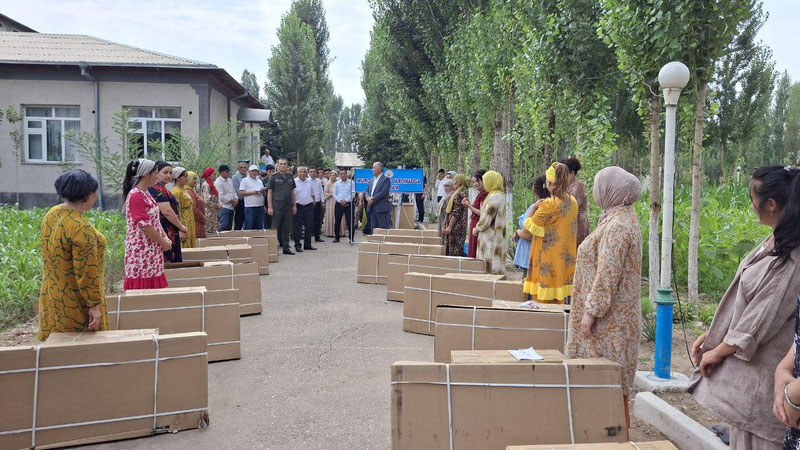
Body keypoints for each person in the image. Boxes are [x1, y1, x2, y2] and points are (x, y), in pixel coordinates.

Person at [690, 166, 800, 449]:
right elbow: (746, 302)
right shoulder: (775, 240)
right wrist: (715, 334)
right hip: (748, 386)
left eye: (753, 198)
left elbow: (761, 319)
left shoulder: (793, 257)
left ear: (771, 205)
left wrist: (718, 350)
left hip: (764, 391)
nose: (751, 205)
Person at [566, 166, 643, 431]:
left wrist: (591, 313)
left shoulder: (619, 226)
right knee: (606, 380)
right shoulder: (616, 217)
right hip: (610, 317)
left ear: (613, 191)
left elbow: (607, 273)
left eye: (601, 185)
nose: (596, 190)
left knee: (606, 379)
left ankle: (608, 435)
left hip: (609, 321)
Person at [38, 170, 107, 341]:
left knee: (57, 345)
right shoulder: (80, 227)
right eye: (95, 192)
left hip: (53, 293)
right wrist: (93, 306)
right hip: (75, 300)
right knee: (79, 349)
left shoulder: (52, 214)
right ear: (87, 195)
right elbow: (86, 272)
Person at [523, 162, 578, 303]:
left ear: (549, 182)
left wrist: (533, 207)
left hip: (546, 259)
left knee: (543, 302)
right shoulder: (573, 202)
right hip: (563, 260)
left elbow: (529, 227)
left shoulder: (549, 204)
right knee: (558, 302)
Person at [122, 159, 171, 291]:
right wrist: (163, 242)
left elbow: (154, 220)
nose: (157, 176)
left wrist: (165, 237)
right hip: (141, 251)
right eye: (155, 173)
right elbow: (144, 226)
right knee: (143, 289)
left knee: (153, 287)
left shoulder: (146, 193)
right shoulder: (136, 195)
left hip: (151, 249)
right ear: (146, 175)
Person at [149, 161, 187, 263]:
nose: (168, 175)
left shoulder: (163, 189)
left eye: (170, 173)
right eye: (165, 172)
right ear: (156, 173)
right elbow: (166, 211)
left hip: (171, 228)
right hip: (164, 228)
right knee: (168, 261)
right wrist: (181, 227)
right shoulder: (154, 188)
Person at [513, 175, 549, 277]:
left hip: (530, 252)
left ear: (533, 188)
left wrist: (517, 232)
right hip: (529, 252)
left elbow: (528, 234)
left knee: (528, 285)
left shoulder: (537, 207)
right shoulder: (546, 205)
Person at [473, 171, 507, 274]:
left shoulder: (494, 197)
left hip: (490, 237)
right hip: (497, 235)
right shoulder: (499, 195)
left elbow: (487, 216)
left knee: (489, 261)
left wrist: (477, 228)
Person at [267, 157, 297, 255]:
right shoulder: (273, 177)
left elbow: (293, 192)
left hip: (288, 206)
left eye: (285, 164)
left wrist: (294, 205)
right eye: (281, 164)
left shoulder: (290, 177)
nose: (283, 165)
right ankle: (273, 248)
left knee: (286, 228)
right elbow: (270, 192)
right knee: (275, 227)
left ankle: (286, 247)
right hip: (277, 206)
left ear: (287, 165)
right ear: (277, 165)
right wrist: (270, 207)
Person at [562, 157, 591, 247]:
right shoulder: (567, 186)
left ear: (572, 173)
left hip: (578, 223)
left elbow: (570, 206)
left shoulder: (579, 186)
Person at [463, 169, 488, 258]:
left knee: (475, 250)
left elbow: (481, 212)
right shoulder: (480, 194)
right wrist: (469, 204)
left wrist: (469, 205)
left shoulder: (484, 195)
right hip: (474, 224)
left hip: (478, 225)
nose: (475, 184)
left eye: (477, 181)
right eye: (473, 182)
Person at [443, 174, 470, 256]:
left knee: (454, 252)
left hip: (456, 228)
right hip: (455, 227)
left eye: (456, 181)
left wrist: (449, 226)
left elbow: (456, 213)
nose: (454, 182)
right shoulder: (457, 193)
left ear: (459, 183)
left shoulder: (459, 194)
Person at [171, 167, 197, 248]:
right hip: (183, 220)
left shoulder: (183, 189)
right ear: (178, 178)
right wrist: (180, 227)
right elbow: (177, 210)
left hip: (189, 219)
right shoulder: (176, 192)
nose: (187, 178)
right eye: (185, 176)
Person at [293, 166, 316, 251]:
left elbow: (313, 195)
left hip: (309, 206)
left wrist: (313, 204)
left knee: (309, 226)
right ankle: (297, 245)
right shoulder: (294, 182)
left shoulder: (310, 182)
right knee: (297, 227)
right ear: (297, 173)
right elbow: (292, 196)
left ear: (307, 173)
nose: (302, 173)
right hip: (298, 206)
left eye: (304, 172)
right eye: (301, 172)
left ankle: (307, 244)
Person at [239, 164, 267, 230]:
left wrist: (263, 192)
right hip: (250, 206)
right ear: (249, 172)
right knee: (249, 225)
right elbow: (241, 192)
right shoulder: (245, 180)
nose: (254, 173)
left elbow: (264, 195)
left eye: (256, 171)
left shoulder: (259, 181)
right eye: (253, 171)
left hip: (260, 206)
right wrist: (253, 192)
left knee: (259, 226)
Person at [367, 162, 392, 231]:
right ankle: (374, 241)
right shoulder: (372, 179)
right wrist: (368, 198)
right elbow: (367, 191)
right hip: (372, 208)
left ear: (379, 169)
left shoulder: (386, 179)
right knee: (374, 229)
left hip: (381, 208)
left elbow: (384, 192)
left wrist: (373, 198)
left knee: (383, 229)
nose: (372, 169)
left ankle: (385, 242)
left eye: (374, 168)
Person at [333, 168, 355, 243]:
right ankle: (337, 237)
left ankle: (351, 238)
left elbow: (353, 193)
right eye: (341, 174)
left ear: (347, 174)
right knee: (337, 221)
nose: (342, 175)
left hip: (348, 204)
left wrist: (346, 200)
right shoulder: (336, 183)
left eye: (344, 174)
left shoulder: (352, 183)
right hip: (339, 204)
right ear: (339, 175)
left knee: (350, 222)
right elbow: (334, 194)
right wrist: (340, 201)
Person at [214, 164, 237, 232]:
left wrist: (236, 198)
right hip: (224, 206)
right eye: (226, 171)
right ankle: (220, 240)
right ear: (221, 172)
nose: (228, 173)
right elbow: (220, 196)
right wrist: (230, 200)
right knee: (224, 225)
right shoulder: (218, 182)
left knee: (229, 226)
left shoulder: (230, 180)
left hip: (231, 207)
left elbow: (233, 191)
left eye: (228, 171)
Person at [200, 167, 221, 235]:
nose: (215, 176)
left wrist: (219, 203)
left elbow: (214, 198)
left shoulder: (211, 185)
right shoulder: (206, 185)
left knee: (214, 230)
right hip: (209, 213)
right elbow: (206, 201)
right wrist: (216, 206)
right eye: (214, 174)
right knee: (209, 231)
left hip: (213, 213)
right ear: (209, 175)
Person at [186, 171, 206, 239]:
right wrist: (202, 218)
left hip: (198, 222)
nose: (196, 181)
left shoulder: (191, 190)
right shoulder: (188, 191)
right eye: (193, 179)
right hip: (195, 222)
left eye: (196, 178)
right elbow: (192, 208)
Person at [232, 160, 249, 230]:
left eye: (245, 167)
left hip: (249, 202)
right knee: (239, 221)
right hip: (240, 201)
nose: (243, 169)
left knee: (248, 221)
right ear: (238, 169)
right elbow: (237, 190)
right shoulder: (235, 177)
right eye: (241, 167)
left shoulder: (249, 176)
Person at [310, 167, 325, 242]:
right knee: (309, 220)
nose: (313, 173)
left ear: (316, 173)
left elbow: (321, 191)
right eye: (311, 172)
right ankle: (309, 236)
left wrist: (322, 201)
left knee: (318, 220)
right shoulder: (307, 181)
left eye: (314, 172)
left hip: (318, 202)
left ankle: (317, 236)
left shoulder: (318, 181)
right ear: (309, 173)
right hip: (310, 203)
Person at [323, 170, 338, 237]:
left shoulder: (338, 183)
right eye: (331, 175)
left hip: (337, 200)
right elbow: (325, 193)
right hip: (330, 201)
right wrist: (330, 194)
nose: (332, 176)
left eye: (334, 175)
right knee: (330, 215)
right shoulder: (328, 184)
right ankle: (330, 232)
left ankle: (338, 232)